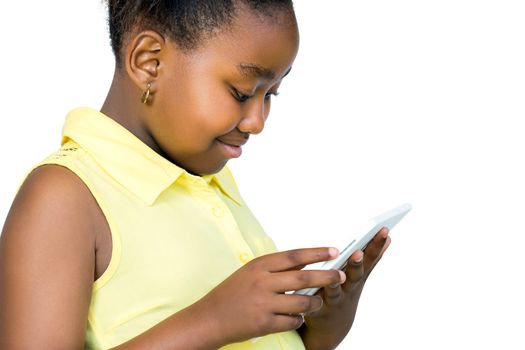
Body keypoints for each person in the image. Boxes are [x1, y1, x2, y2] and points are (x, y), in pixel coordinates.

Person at [0, 1, 391, 349]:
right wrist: (213, 321)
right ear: (148, 61)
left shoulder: (213, 184)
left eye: (271, 94)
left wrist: (320, 325)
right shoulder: (64, 196)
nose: (257, 122)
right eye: (242, 92)